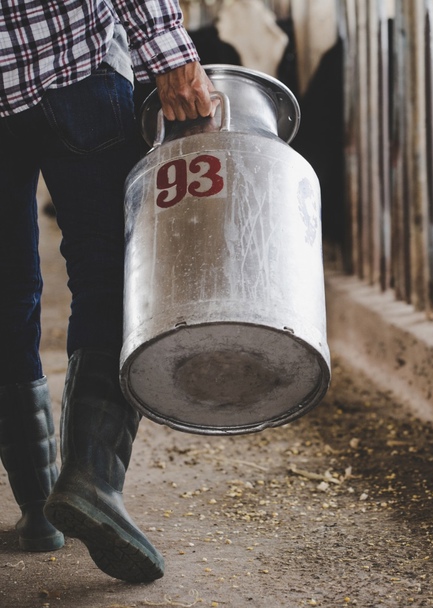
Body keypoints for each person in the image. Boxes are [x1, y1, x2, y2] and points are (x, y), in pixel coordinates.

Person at [0, 0, 214, 583]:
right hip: (72, 67)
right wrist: (169, 54)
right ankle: (91, 481)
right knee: (111, 271)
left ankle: (38, 508)